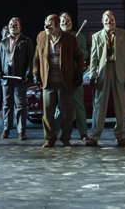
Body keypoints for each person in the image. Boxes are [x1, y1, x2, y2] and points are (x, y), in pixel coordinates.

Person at [84, 10, 125, 146]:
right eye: (106, 19)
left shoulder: (124, 34)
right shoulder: (96, 36)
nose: (109, 21)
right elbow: (93, 58)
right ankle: (94, 136)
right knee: (99, 105)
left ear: (115, 20)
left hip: (119, 72)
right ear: (102, 21)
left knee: (120, 106)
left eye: (111, 19)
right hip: (102, 73)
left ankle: (121, 136)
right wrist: (92, 75)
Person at [33, 14, 84, 148]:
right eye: (45, 22)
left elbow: (79, 57)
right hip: (48, 82)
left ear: (56, 24)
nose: (46, 25)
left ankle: (65, 138)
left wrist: (79, 74)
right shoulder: (41, 36)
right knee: (48, 112)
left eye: (49, 22)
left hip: (65, 82)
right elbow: (36, 58)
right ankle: (49, 139)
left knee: (66, 112)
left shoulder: (69, 39)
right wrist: (35, 73)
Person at [0, 17, 34, 139]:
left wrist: (28, 73)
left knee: (21, 105)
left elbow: (30, 60)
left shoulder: (26, 41)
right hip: (6, 77)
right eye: (11, 24)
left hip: (19, 77)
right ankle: (6, 128)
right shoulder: (3, 42)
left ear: (20, 27)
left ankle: (21, 131)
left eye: (16, 24)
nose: (13, 25)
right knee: (6, 105)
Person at [58, 12, 89, 140]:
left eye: (68, 19)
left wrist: (76, 49)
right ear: (59, 24)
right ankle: (58, 132)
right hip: (60, 77)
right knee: (59, 106)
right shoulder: (56, 36)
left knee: (79, 105)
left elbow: (86, 55)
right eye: (63, 20)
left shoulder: (79, 37)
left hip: (75, 77)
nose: (65, 21)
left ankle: (83, 134)